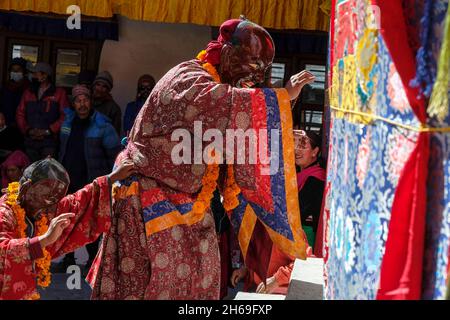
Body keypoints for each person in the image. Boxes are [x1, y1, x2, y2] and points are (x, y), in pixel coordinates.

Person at [87, 18, 315, 300]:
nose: (252, 80)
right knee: (152, 287)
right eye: (249, 68)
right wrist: (280, 97)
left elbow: (235, 123)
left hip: (187, 202)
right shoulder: (189, 79)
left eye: (259, 74)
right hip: (148, 200)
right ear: (229, 55)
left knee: (200, 281)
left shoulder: (221, 85)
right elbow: (223, 104)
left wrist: (279, 100)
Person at [0, 157, 136, 300]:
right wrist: (44, 240)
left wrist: (111, 178)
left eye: (54, 201)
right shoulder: (4, 213)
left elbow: (77, 203)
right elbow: (3, 250)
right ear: (26, 188)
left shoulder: (44, 208)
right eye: (46, 198)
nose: (49, 207)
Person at [57, 85, 121, 271]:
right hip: (70, 180)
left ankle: (93, 261)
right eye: (78, 101)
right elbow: (61, 148)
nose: (82, 104)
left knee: (92, 222)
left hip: (93, 181)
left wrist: (111, 180)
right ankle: (68, 259)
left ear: (91, 102)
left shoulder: (103, 125)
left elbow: (115, 156)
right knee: (68, 221)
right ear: (73, 103)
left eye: (85, 100)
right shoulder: (67, 122)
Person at [16, 62, 69, 162]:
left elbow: (65, 116)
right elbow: (20, 113)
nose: (33, 76)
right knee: (30, 173)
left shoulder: (59, 93)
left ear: (45, 76)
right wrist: (28, 130)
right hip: (30, 141)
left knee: (46, 173)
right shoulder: (28, 92)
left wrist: (49, 131)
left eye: (36, 73)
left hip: (49, 143)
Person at [294, 130, 326, 250]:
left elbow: (299, 211)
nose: (297, 151)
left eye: (302, 146)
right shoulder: (299, 173)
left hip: (307, 237)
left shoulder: (317, 178)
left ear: (315, 151)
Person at [0, 58, 30, 127]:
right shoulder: (5, 87)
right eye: (13, 70)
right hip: (5, 125)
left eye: (18, 70)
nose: (15, 72)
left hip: (24, 127)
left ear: (24, 72)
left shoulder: (29, 88)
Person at [92, 71, 122, 135]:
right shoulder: (87, 102)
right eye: (98, 85)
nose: (100, 89)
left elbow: (114, 135)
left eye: (104, 86)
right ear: (94, 86)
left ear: (108, 90)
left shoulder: (114, 109)